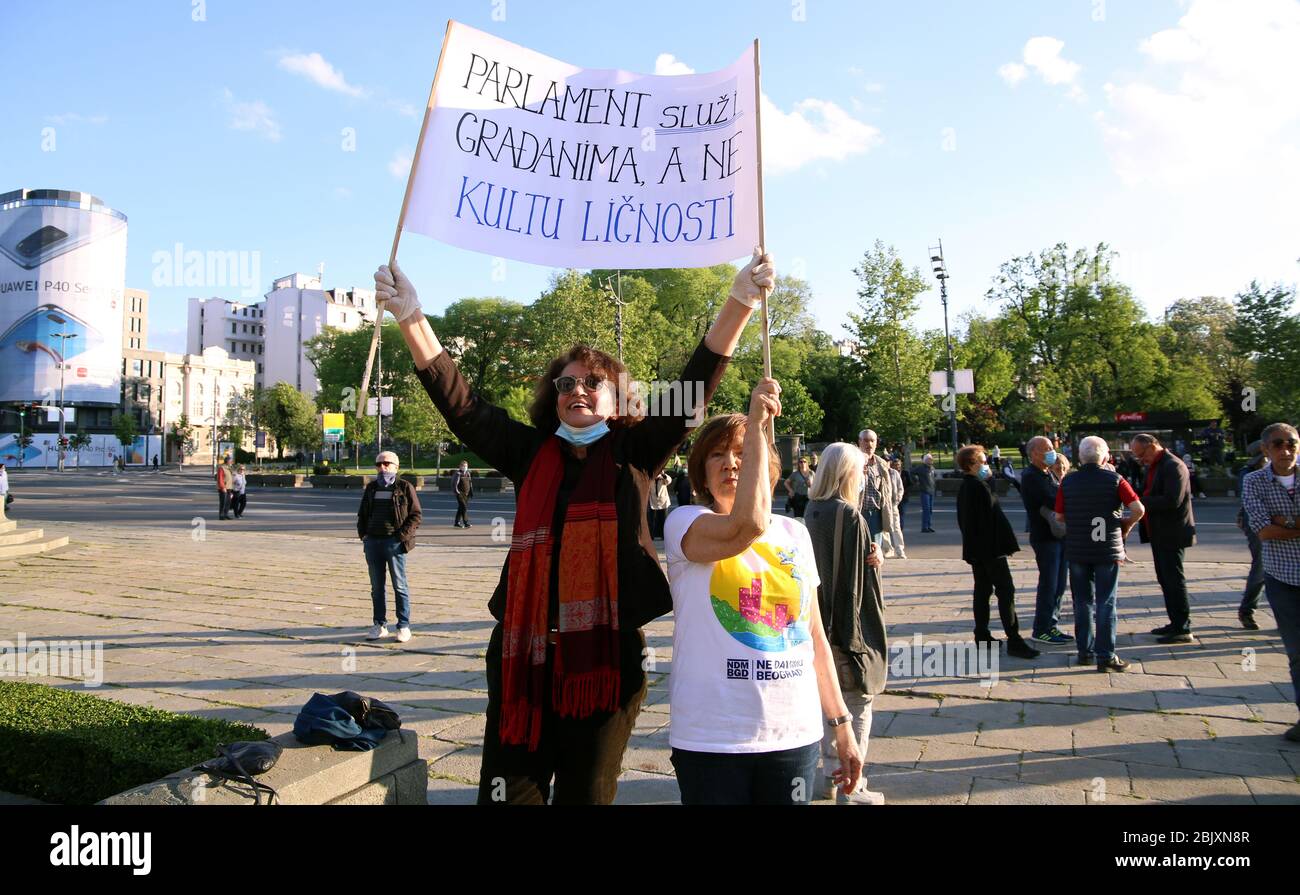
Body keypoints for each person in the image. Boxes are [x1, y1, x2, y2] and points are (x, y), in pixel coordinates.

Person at [377, 249, 773, 805]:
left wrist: (740, 302)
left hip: (606, 662)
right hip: (523, 654)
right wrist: (411, 316)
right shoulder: (530, 452)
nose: (578, 391)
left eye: (593, 383)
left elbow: (695, 384)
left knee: (586, 798)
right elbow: (462, 406)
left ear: (617, 401)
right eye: (566, 385)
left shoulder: (636, 451)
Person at [662, 388, 864, 805]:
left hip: (793, 735)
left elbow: (813, 638)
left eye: (743, 452)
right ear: (701, 472)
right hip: (713, 738)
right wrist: (755, 424)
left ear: (769, 468)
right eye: (718, 454)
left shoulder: (795, 533)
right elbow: (744, 528)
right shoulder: (685, 523)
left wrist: (841, 724)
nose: (732, 462)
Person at [804, 442, 888, 805]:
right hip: (846, 628)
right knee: (858, 703)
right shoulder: (850, 515)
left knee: (829, 705)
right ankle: (854, 786)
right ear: (847, 473)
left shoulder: (812, 509)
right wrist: (857, 639)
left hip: (819, 623)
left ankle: (827, 779)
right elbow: (853, 586)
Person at [1055, 436, 1145, 672]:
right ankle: (1106, 655)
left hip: (1078, 548)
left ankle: (1085, 651)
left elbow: (1059, 517)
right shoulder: (1115, 479)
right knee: (1106, 601)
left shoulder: (1068, 482)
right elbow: (1138, 509)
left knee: (1082, 601)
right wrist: (1125, 524)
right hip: (1107, 549)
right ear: (1105, 456)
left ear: (1080, 458)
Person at [1241, 422, 1300, 742]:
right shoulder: (1254, 481)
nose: (1285, 450)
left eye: (1291, 443)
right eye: (1278, 444)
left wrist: (1284, 522)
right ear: (1266, 449)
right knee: (1296, 652)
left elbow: (1274, 525)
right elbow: (1263, 530)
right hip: (1282, 577)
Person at [954, 445, 1041, 659]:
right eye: (983, 462)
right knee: (1006, 591)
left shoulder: (968, 486)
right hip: (991, 550)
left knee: (983, 591)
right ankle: (1014, 639)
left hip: (978, 550)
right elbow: (990, 517)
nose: (987, 466)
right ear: (971, 465)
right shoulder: (978, 487)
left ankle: (982, 635)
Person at [1130, 434, 1197, 643]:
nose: (1141, 461)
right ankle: (1175, 622)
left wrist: (1139, 501)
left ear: (1151, 447)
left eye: (1141, 455)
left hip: (1172, 532)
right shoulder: (1157, 465)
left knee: (1174, 580)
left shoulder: (1172, 465)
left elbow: (1172, 500)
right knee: (1165, 579)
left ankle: (1182, 627)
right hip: (1160, 532)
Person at [356, 451, 422, 644]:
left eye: (386, 464)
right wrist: (364, 535)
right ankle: (379, 624)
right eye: (379, 464)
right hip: (373, 543)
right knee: (377, 587)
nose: (382, 467)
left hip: (394, 543)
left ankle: (403, 625)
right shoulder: (372, 488)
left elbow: (416, 515)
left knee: (399, 585)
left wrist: (401, 537)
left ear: (396, 466)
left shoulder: (404, 487)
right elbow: (362, 514)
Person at [1020, 436, 1072, 645]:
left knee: (1059, 584)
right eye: (1048, 448)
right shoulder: (1032, 476)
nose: (1053, 451)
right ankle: (1041, 628)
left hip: (1058, 535)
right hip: (1045, 536)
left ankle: (1052, 624)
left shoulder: (1046, 472)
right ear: (1034, 453)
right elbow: (1054, 499)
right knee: (1049, 584)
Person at [1237, 441, 1268, 629]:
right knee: (1261, 568)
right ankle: (1247, 610)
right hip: (1258, 525)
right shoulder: (1248, 474)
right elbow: (1249, 499)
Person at [857, 429, 898, 554]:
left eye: (872, 441)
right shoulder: (852, 462)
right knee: (858, 550)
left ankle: (875, 573)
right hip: (858, 513)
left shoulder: (881, 464)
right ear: (859, 442)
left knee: (875, 552)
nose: (869, 444)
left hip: (876, 514)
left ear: (876, 443)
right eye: (865, 440)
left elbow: (887, 491)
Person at [887, 458, 909, 559]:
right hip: (881, 504)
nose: (886, 463)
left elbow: (900, 488)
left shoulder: (894, 473)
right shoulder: (877, 471)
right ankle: (887, 549)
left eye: (888, 461)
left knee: (896, 527)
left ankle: (900, 550)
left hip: (893, 504)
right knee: (883, 528)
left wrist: (897, 500)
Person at [911, 453, 936, 533]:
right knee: (926, 510)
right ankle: (924, 527)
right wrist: (916, 480)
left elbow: (933, 478)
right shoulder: (921, 468)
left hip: (931, 491)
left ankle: (928, 526)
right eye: (929, 459)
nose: (931, 460)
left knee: (930, 510)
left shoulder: (932, 468)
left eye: (931, 459)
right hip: (924, 491)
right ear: (925, 460)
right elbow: (911, 472)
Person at [648, 470, 673, 539]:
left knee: (663, 519)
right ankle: (651, 536)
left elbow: (669, 480)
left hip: (663, 502)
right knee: (651, 520)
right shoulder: (650, 479)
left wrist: (663, 475)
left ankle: (664, 535)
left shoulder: (663, 479)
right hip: (653, 502)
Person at [451, 460, 473, 528]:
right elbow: (454, 484)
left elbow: (470, 483)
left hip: (467, 494)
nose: (465, 467)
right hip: (460, 494)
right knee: (464, 507)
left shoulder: (468, 473)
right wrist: (457, 492)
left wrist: (471, 492)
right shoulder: (458, 474)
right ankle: (466, 523)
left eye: (466, 466)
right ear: (460, 466)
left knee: (460, 508)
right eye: (463, 466)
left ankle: (456, 523)